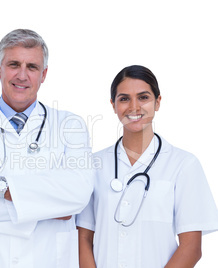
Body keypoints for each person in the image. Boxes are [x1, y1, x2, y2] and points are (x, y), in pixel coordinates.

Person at [0, 29, 94, 268]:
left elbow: (77, 197)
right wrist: (48, 206)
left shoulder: (70, 126)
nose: (22, 75)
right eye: (14, 64)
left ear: (43, 74)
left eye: (32, 67)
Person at [76, 65, 218, 268]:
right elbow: (83, 238)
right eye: (124, 98)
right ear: (113, 105)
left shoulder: (184, 165)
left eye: (143, 97)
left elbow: (191, 247)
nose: (134, 107)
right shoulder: (93, 164)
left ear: (158, 102)